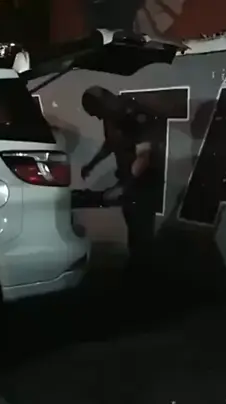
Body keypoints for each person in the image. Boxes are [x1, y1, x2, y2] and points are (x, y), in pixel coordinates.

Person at [79, 86, 160, 275]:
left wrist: (124, 187)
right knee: (133, 229)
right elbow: (111, 143)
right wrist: (92, 164)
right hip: (128, 182)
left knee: (142, 232)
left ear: (105, 102)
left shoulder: (135, 115)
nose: (98, 118)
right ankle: (136, 270)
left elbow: (144, 156)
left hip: (143, 184)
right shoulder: (110, 117)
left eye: (96, 112)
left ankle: (146, 275)